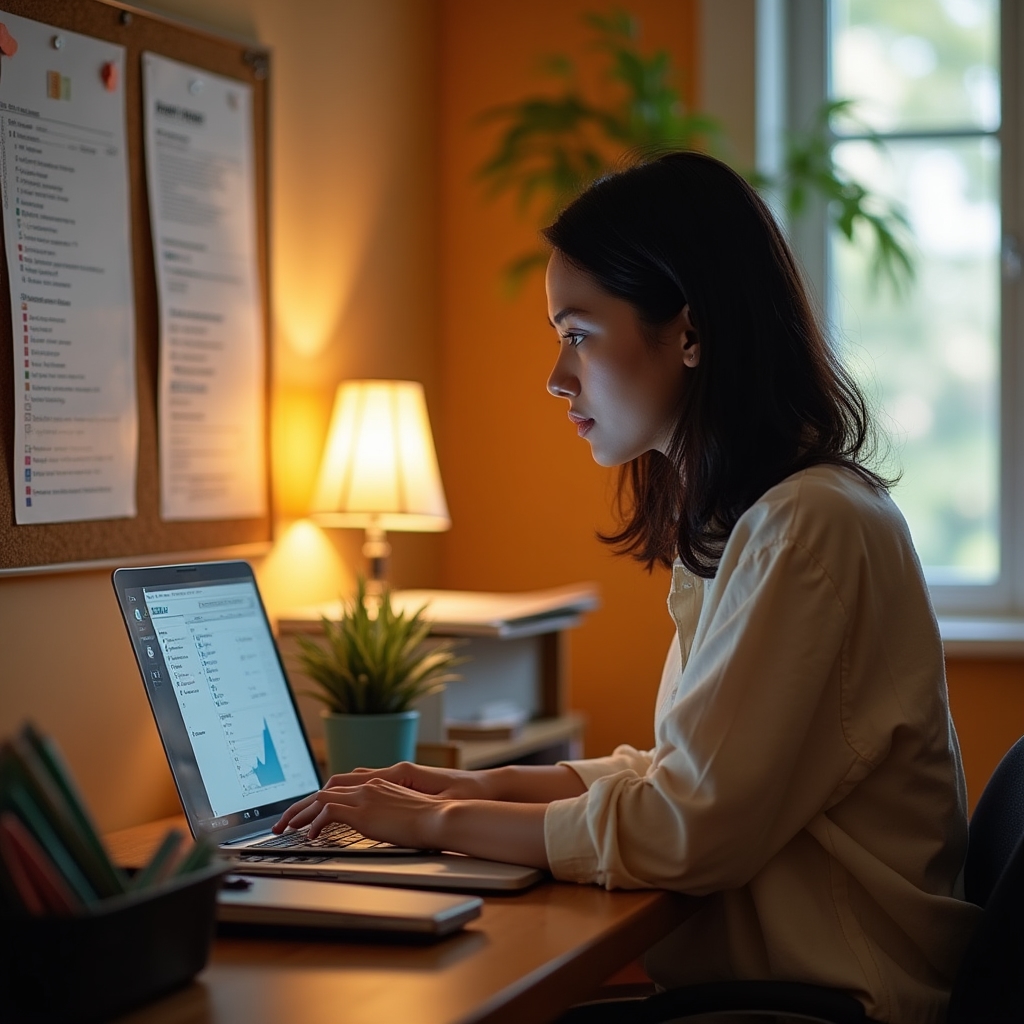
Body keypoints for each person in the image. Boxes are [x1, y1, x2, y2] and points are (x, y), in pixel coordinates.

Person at [275, 152, 980, 1023]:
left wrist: (430, 825)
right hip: (770, 984)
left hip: (832, 1001)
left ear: (690, 331)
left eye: (578, 333)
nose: (556, 376)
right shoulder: (759, 520)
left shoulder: (809, 527)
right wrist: (465, 790)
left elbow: (687, 829)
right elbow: (680, 773)